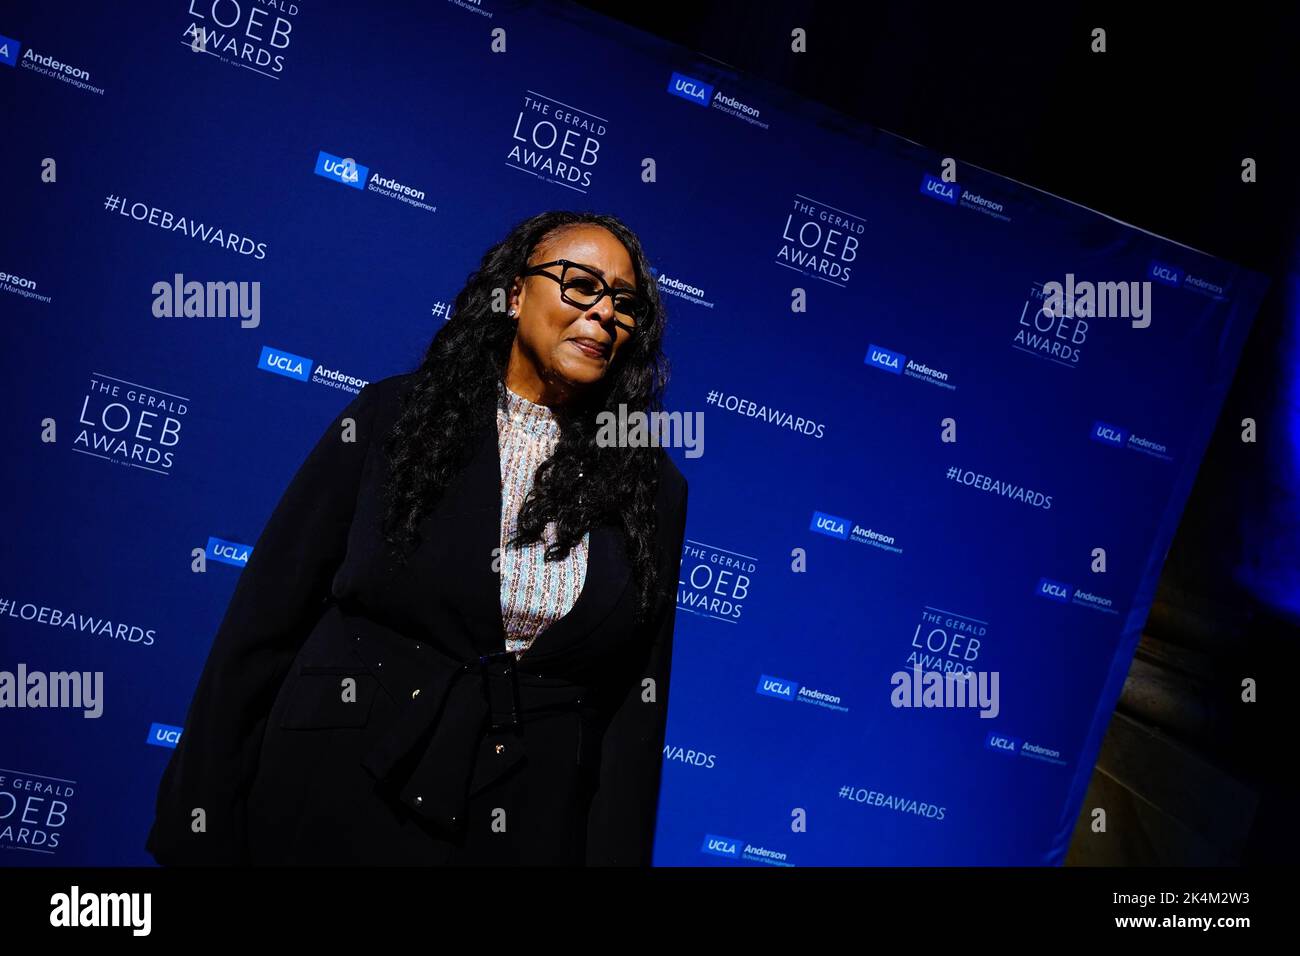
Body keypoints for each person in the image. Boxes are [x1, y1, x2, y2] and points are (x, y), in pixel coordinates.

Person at [145, 210, 689, 865]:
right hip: (332, 791)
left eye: (624, 302)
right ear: (514, 294)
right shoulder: (393, 418)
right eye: (580, 285)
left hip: (519, 824)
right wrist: (200, 818)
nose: (604, 312)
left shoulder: (651, 488)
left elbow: (632, 714)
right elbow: (264, 622)